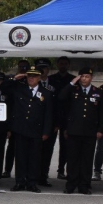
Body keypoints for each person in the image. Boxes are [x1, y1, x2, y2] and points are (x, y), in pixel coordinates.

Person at [1, 65, 53, 193]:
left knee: (34, 158)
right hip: (20, 129)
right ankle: (20, 182)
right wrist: (15, 78)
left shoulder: (46, 93)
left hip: (37, 130)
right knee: (20, 157)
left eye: (34, 76)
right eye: (29, 75)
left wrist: (46, 131)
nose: (31, 78)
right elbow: (2, 88)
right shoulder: (19, 89)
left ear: (39, 78)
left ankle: (32, 183)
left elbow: (49, 114)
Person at [57, 67, 103, 195]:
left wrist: (100, 129)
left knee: (87, 160)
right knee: (72, 159)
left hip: (90, 131)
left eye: (87, 76)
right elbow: (61, 97)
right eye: (82, 76)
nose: (84, 79)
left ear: (91, 78)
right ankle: (71, 184)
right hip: (74, 130)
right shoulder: (73, 90)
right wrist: (72, 82)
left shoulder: (98, 92)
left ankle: (84, 185)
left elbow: (102, 113)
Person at [2, 59, 30, 179]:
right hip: (15, 118)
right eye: (21, 67)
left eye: (25, 67)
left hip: (28, 120)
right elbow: (3, 88)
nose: (23, 69)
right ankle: (7, 170)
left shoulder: (32, 80)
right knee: (12, 147)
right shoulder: (14, 81)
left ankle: (26, 173)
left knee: (27, 150)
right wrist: (14, 79)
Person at [36, 58, 61, 188]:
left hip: (50, 123)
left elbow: (59, 105)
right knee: (33, 151)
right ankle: (32, 176)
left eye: (44, 68)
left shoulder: (55, 84)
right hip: (34, 123)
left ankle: (43, 177)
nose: (42, 70)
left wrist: (57, 123)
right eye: (39, 68)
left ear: (48, 69)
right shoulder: (30, 82)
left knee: (47, 152)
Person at [50, 56, 74, 180]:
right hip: (54, 116)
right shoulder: (51, 79)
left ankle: (61, 170)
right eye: (61, 63)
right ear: (57, 64)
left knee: (65, 146)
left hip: (66, 116)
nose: (63, 65)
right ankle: (44, 171)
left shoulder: (72, 80)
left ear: (68, 65)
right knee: (49, 145)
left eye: (65, 63)